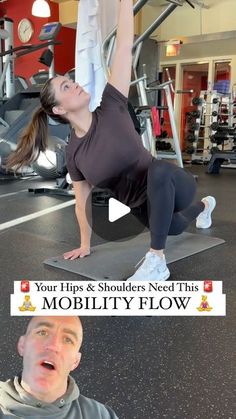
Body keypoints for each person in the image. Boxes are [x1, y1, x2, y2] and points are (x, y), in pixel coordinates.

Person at [6, 0, 216, 281]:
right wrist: (84, 244)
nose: (75, 83)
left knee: (159, 170)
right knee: (176, 226)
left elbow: (123, 45)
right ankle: (206, 205)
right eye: (67, 87)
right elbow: (81, 203)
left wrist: (123, 2)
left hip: (175, 182)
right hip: (144, 205)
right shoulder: (75, 153)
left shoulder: (112, 103)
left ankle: (157, 260)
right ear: (59, 109)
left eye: (71, 80)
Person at [0, 316, 119, 418]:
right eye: (42, 332)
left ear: (75, 361)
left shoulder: (100, 415)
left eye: (68, 339)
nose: (53, 346)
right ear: (22, 345)